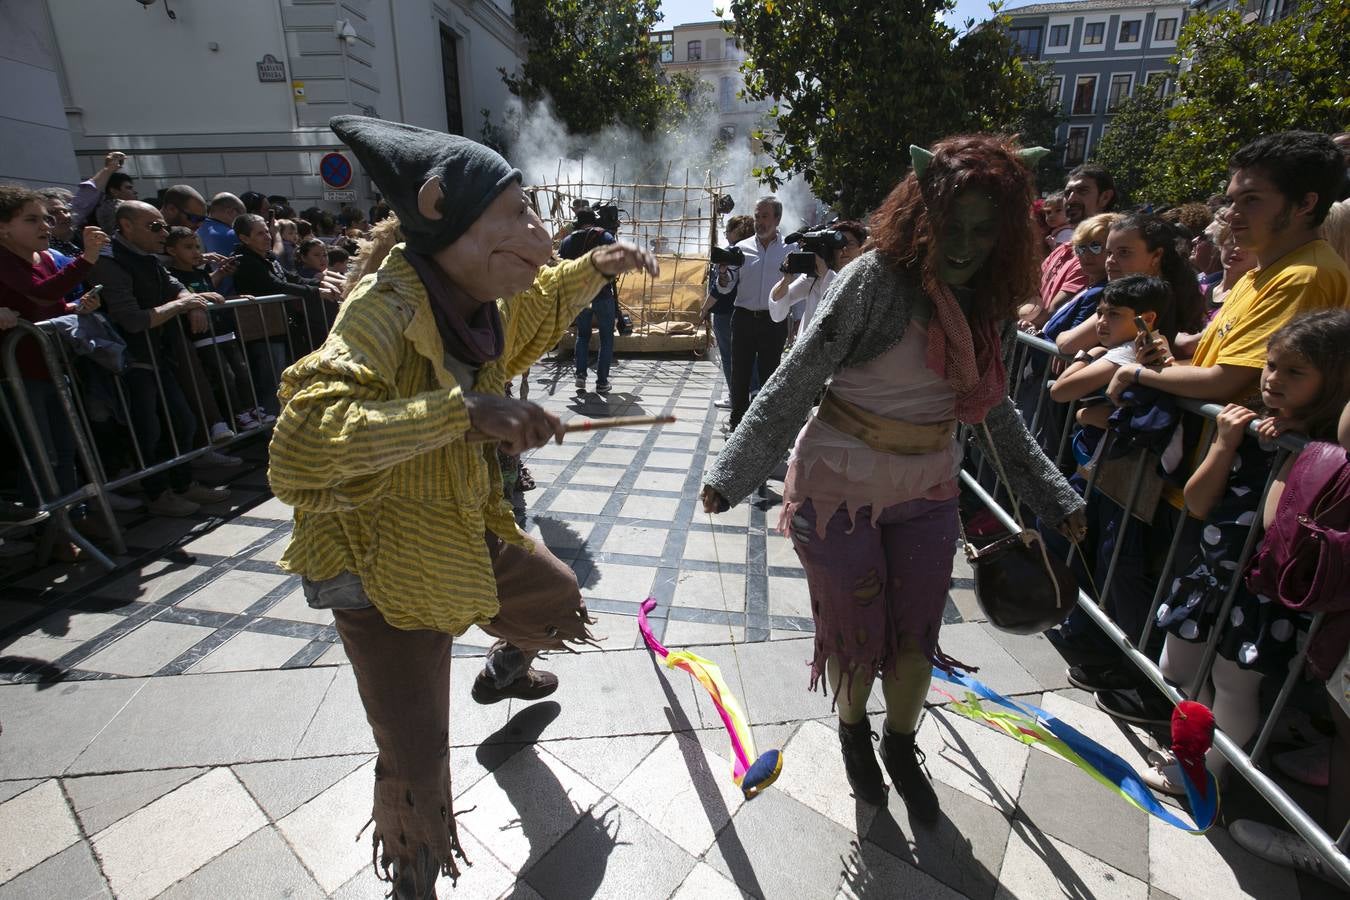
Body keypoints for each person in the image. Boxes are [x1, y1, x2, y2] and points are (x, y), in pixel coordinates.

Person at [266, 115, 659, 897]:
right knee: (414, 753)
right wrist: (466, 415)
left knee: (557, 597)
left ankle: (507, 668)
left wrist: (599, 264)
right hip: (376, 558)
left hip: (461, 524)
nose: (538, 233)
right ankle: (414, 872)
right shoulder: (381, 310)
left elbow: (540, 302)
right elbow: (300, 446)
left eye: (533, 215)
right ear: (443, 209)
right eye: (516, 216)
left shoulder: (481, 300)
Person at [699, 136, 1086, 818]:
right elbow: (798, 379)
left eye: (981, 230)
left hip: (929, 491)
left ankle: (899, 744)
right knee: (855, 634)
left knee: (915, 636)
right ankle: (852, 733)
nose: (963, 246)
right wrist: (733, 472)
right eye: (949, 227)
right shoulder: (871, 280)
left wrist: (1055, 495)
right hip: (836, 489)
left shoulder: (987, 299)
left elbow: (996, 414)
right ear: (920, 217)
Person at [1138, 310, 1350, 793]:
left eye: (1294, 372)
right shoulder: (1251, 423)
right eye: (1272, 365)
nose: (1273, 379)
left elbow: (1278, 522)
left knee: (1236, 686)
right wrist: (1226, 443)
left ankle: (1206, 772)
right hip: (1213, 573)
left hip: (1260, 594)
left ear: (1333, 380)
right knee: (1177, 667)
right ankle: (1196, 744)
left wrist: (1292, 454)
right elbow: (1196, 501)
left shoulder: (1324, 452)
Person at [94, 201, 231, 516]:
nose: (163, 232)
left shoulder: (149, 259)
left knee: (182, 422)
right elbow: (132, 319)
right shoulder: (110, 261)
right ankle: (157, 493)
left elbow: (177, 287)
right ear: (126, 226)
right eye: (154, 226)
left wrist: (191, 301)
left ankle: (182, 484)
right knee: (149, 432)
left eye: (163, 225)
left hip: (158, 356)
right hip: (128, 363)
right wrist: (183, 306)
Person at [0, 185, 110, 558]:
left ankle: (71, 517)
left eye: (45, 218)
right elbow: (42, 294)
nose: (44, 225)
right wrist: (87, 258)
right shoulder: (3, 261)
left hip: (51, 366)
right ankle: (47, 528)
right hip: (18, 374)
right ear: (4, 228)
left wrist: (76, 305)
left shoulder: (43, 257)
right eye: (31, 219)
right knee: (40, 452)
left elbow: (52, 302)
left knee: (65, 449)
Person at [1056, 214, 1205, 357]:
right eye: (1108, 253)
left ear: (1156, 255)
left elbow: (1068, 344)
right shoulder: (1168, 291)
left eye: (1124, 252)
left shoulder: (1140, 298)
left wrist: (1088, 354)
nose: (1110, 261)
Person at [162, 227, 260, 433]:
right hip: (204, 335)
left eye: (197, 246)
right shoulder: (173, 276)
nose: (196, 252)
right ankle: (238, 414)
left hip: (223, 330)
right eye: (188, 247)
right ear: (171, 251)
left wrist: (234, 297)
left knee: (242, 371)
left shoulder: (201, 272)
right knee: (226, 376)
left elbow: (213, 294)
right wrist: (207, 297)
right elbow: (193, 297)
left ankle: (251, 409)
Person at [1049, 275, 1173, 411]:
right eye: (1099, 313)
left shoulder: (1127, 352)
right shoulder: (1159, 340)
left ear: (1148, 318)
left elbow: (1059, 392)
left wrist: (1087, 356)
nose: (1101, 321)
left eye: (1113, 314)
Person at [728, 197, 792, 430]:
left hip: (774, 321)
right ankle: (737, 423)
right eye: (757, 216)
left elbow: (796, 288)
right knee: (740, 374)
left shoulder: (790, 249)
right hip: (744, 317)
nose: (759, 222)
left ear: (777, 219)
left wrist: (795, 323)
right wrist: (724, 274)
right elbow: (727, 286)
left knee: (770, 375)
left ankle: (764, 427)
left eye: (765, 216)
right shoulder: (741, 249)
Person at [1026, 164, 1118, 326]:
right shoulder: (1061, 249)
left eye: (1082, 191)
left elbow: (1046, 315)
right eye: (1068, 193)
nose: (1071, 199)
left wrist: (1029, 310)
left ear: (1105, 197)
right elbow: (1027, 292)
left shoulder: (1101, 256)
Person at [767, 221, 867, 334]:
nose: (844, 249)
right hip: (809, 349)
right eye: (838, 245)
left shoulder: (865, 279)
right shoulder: (815, 278)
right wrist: (787, 278)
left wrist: (825, 273)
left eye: (850, 243)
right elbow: (777, 311)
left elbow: (842, 308)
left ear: (861, 248)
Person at [558, 208, 619, 393]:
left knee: (582, 336)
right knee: (606, 338)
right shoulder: (605, 237)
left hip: (580, 297)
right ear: (594, 222)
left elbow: (560, 267)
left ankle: (580, 376)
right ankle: (602, 382)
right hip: (602, 295)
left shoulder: (567, 242)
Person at [699, 214, 754, 409]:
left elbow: (718, 288)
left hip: (724, 313)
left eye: (727, 231)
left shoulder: (731, 253)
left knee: (730, 358)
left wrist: (704, 309)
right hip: (745, 311)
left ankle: (736, 396)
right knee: (748, 357)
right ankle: (751, 394)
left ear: (734, 231)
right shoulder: (752, 251)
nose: (726, 235)